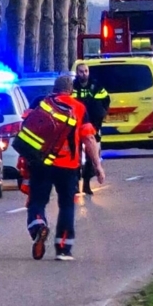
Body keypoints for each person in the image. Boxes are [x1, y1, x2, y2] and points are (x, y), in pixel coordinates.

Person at [25, 74, 106, 261]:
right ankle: (63, 248)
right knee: (66, 205)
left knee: (37, 200)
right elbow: (88, 138)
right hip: (68, 164)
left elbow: (26, 128)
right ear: (71, 89)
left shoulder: (40, 103)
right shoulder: (78, 108)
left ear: (54, 88)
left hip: (41, 162)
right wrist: (97, 166)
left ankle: (38, 225)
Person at [72, 62, 110, 196]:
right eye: (81, 71)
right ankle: (75, 184)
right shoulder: (72, 87)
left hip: (92, 126)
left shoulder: (96, 86)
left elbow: (106, 100)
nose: (84, 74)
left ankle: (87, 184)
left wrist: (101, 114)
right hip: (74, 127)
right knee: (74, 156)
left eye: (86, 71)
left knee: (91, 156)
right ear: (77, 73)